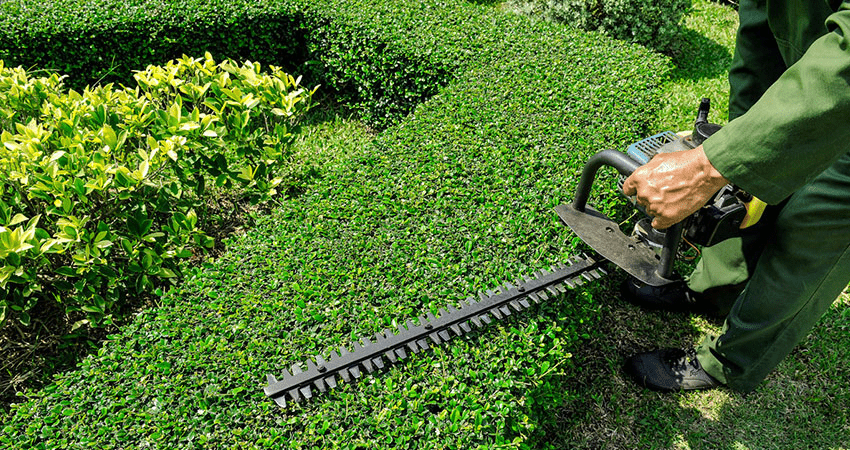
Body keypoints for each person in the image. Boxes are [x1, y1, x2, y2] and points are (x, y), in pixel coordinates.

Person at [619, 0, 850, 392]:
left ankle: (729, 361)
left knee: (813, 224)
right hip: (817, 50)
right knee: (745, 178)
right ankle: (716, 290)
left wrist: (709, 165)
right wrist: (742, 141)